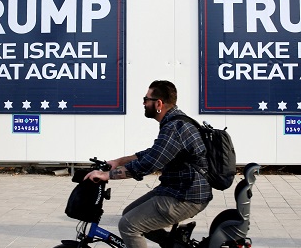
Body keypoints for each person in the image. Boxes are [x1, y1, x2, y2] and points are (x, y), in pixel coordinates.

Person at [85, 80, 212, 248]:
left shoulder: (174, 127)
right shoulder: (174, 121)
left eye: (146, 99)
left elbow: (149, 164)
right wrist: (117, 162)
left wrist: (106, 175)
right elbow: (153, 153)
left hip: (186, 197)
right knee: (128, 213)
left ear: (158, 103)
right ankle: (175, 243)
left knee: (128, 225)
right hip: (178, 189)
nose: (144, 103)